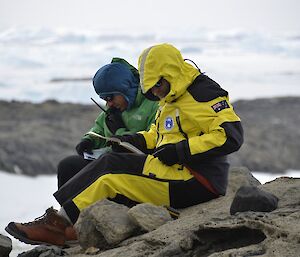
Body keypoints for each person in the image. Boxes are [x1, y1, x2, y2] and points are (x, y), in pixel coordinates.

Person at [6, 43, 244, 247]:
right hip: (176, 172)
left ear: (169, 74)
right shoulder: (172, 95)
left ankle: (56, 226)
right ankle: (61, 224)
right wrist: (136, 140)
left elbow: (230, 135)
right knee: (109, 175)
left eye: (157, 86)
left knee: (110, 164)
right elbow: (159, 134)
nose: (155, 93)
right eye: (150, 89)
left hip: (197, 180)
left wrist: (180, 151)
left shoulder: (202, 93)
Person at [57, 57, 158, 188]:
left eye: (110, 97)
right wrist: (89, 140)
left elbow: (151, 145)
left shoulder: (153, 104)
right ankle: (66, 208)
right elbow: (99, 128)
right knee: (68, 166)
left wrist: (119, 132)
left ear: (125, 88)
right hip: (111, 161)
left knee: (102, 168)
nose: (108, 103)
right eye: (104, 99)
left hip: (138, 168)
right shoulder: (115, 106)